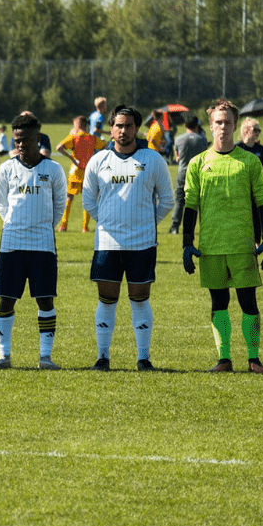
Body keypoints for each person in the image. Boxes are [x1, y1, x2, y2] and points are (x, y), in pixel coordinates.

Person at [181, 98, 263, 373]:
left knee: (249, 302)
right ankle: (223, 359)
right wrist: (187, 243)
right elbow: (190, 205)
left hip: (242, 244)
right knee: (218, 302)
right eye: (218, 122)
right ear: (210, 126)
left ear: (235, 126)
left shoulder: (249, 161)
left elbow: (262, 203)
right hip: (211, 246)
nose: (223, 127)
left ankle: (254, 359)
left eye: (228, 122)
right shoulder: (198, 163)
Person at [81, 106, 174, 370]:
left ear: (137, 129)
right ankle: (102, 357)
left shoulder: (152, 159)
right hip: (108, 243)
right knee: (106, 300)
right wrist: (110, 221)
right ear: (111, 129)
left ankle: (143, 358)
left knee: (140, 298)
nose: (123, 131)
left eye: (129, 126)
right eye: (119, 126)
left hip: (142, 243)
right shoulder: (98, 161)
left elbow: (167, 200)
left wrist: (145, 222)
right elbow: (88, 200)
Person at [0, 113, 68, 370]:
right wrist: (17, 224)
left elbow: (59, 207)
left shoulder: (53, 169)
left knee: (45, 300)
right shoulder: (6, 168)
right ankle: (4, 356)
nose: (20, 144)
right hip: (12, 242)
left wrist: (43, 226)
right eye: (16, 140)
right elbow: (2, 206)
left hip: (43, 244)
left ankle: (45, 358)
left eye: (25, 139)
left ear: (37, 137)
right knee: (6, 299)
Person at [55, 115, 105, 233]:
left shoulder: (73, 137)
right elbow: (104, 146)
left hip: (76, 172)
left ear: (77, 125)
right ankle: (85, 227)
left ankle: (63, 225)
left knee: (69, 198)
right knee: (87, 199)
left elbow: (59, 147)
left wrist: (71, 158)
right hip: (88, 172)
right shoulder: (92, 138)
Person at [168, 115, 208, 235]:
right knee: (200, 201)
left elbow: (178, 158)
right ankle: (204, 227)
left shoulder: (179, 139)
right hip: (198, 172)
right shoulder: (202, 139)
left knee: (180, 200)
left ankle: (175, 227)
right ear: (197, 125)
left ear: (185, 125)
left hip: (183, 172)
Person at [235, 117, 263, 189]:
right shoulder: (236, 148)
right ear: (246, 130)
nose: (257, 133)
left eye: (259, 130)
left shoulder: (260, 148)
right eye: (255, 130)